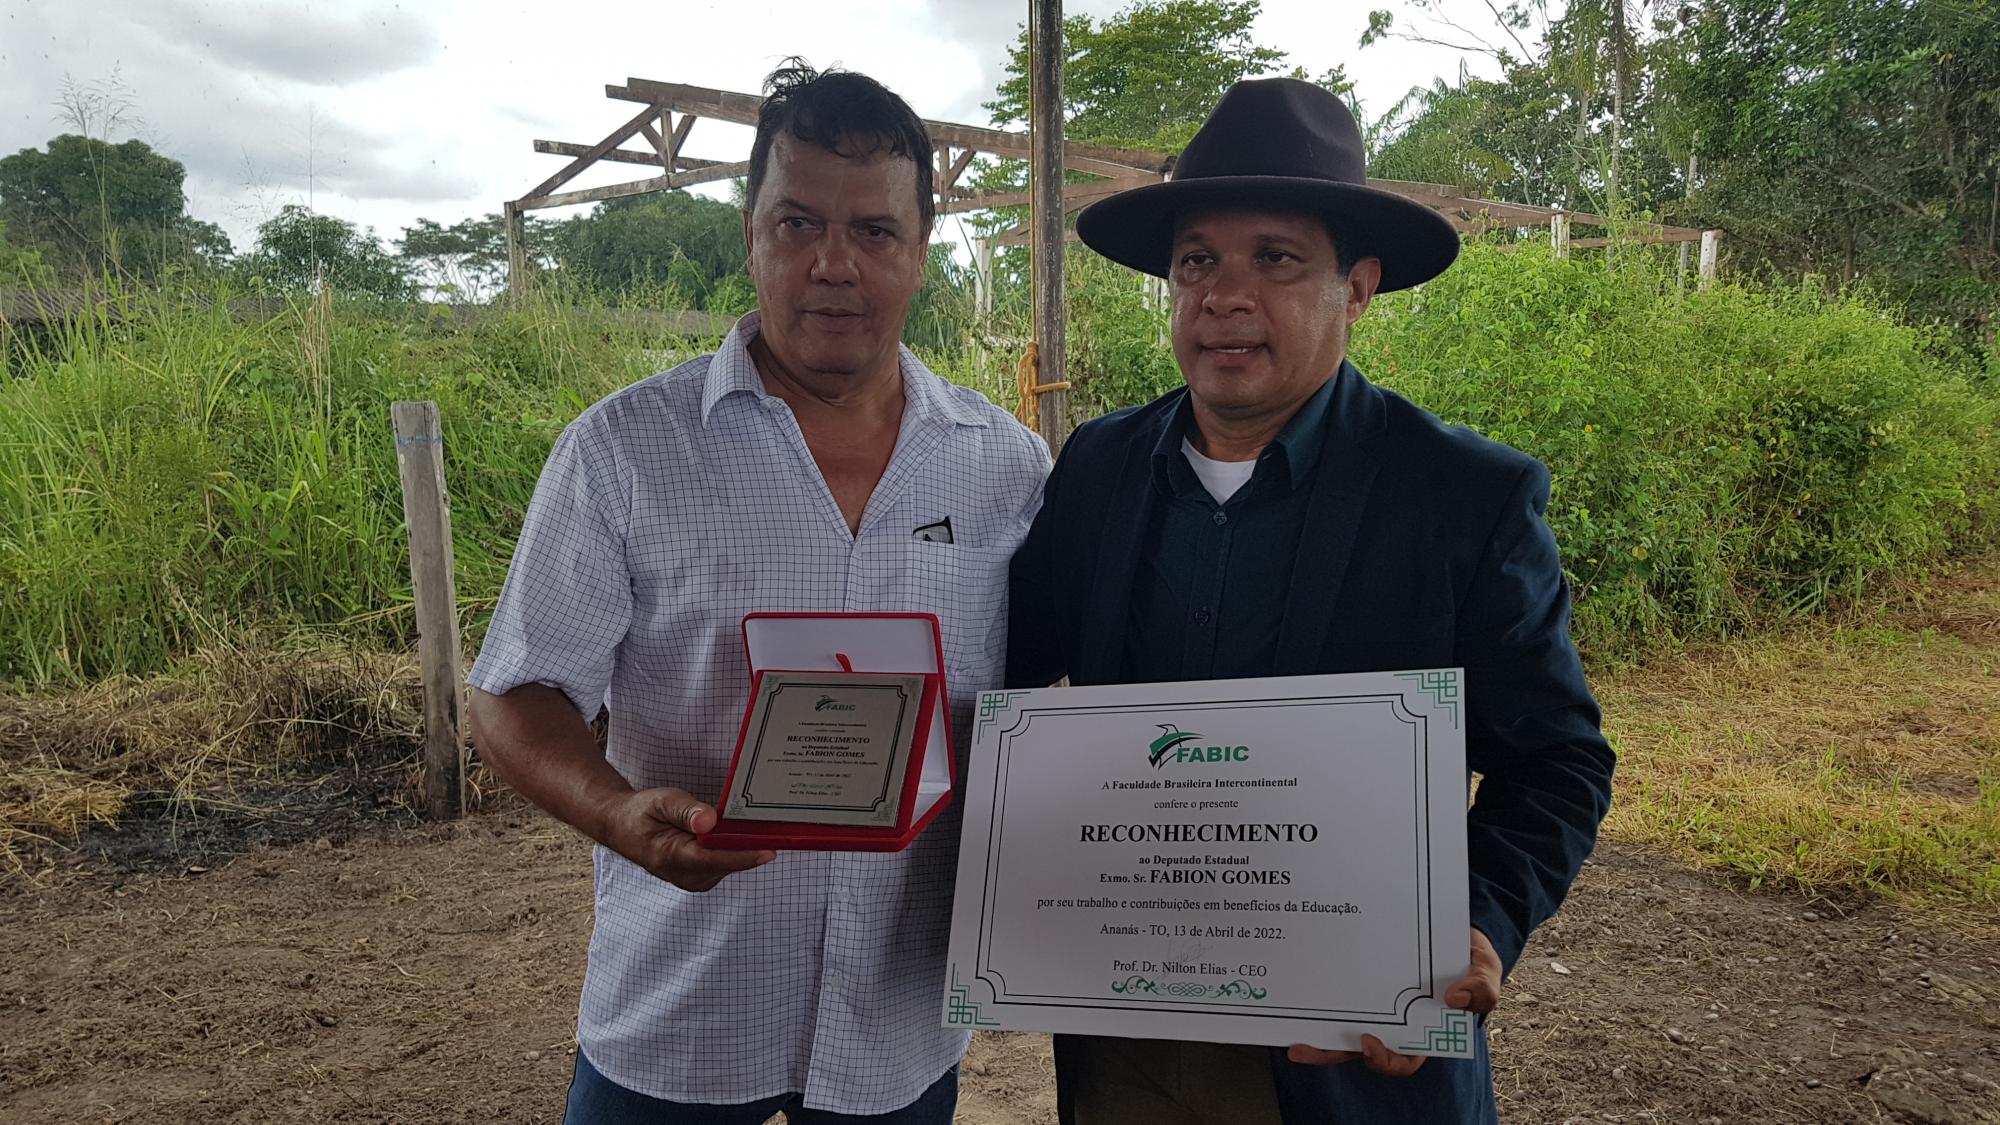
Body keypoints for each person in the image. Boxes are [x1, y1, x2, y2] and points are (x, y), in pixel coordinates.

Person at [1007, 77, 1616, 1124]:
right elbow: (1007, 688)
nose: (1224, 295)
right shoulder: (1096, 468)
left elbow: (1554, 758)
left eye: (1274, 259)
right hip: (1133, 1038)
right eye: (1195, 260)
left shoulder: (1461, 496)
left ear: (1358, 286)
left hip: (1352, 1054)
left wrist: (1474, 922)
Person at [467, 60, 1047, 1124]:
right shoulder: (622, 450)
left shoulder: (1005, 466)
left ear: (921, 251)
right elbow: (514, 692)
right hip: (682, 1001)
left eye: (873, 231)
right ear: (749, 234)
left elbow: (1051, 700)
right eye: (797, 224)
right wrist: (619, 814)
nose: (833, 263)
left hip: (898, 1011)